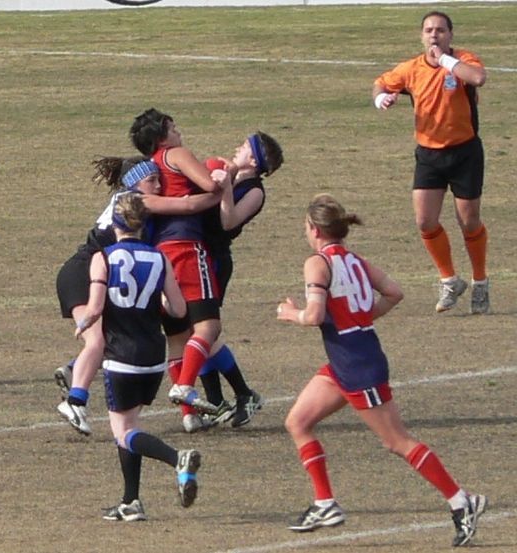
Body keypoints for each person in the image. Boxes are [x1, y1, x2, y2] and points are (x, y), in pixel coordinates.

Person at [276, 194, 486, 546]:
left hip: (358, 366)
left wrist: (291, 314)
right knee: (297, 422)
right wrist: (360, 318)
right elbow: (393, 293)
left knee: (396, 441)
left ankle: (462, 501)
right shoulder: (355, 260)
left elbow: (313, 316)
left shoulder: (316, 263)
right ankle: (325, 503)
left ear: (314, 229)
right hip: (348, 360)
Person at [54, 157, 218, 435]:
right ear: (134, 183)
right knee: (97, 340)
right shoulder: (135, 200)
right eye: (151, 180)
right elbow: (188, 205)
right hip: (83, 272)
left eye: (158, 179)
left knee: (110, 336)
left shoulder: (131, 203)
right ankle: (74, 401)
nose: (158, 185)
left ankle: (74, 369)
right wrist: (217, 190)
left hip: (96, 272)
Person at [73, 191, 201, 521]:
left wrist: (83, 325)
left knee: (124, 433)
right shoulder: (159, 258)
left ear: (114, 223)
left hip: (121, 354)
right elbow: (178, 308)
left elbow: (96, 307)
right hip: (153, 355)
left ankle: (177, 459)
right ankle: (131, 501)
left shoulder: (103, 257)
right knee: (130, 426)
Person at [372, 11, 489, 314]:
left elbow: (478, 78)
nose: (434, 35)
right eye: (428, 30)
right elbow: (381, 83)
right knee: (425, 220)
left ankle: (480, 282)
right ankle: (449, 279)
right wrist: (381, 98)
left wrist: (446, 61)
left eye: (440, 30)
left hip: (465, 153)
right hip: (429, 155)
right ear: (421, 35)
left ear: (450, 35)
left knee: (469, 221)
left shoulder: (463, 61)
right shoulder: (411, 69)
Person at [130, 108, 224, 429]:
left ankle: (189, 418)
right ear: (161, 136)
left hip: (160, 256)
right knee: (208, 328)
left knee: (177, 337)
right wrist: (224, 175)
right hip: (186, 248)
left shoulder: (149, 169)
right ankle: (185, 387)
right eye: (173, 127)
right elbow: (209, 185)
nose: (179, 132)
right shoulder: (175, 154)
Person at [196, 131, 284, 430]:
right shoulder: (232, 177)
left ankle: (244, 394)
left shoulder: (255, 190)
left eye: (245, 147)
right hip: (200, 255)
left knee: (204, 332)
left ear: (256, 160)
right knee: (197, 332)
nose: (238, 147)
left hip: (216, 260)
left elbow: (228, 222)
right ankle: (215, 402)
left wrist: (224, 189)